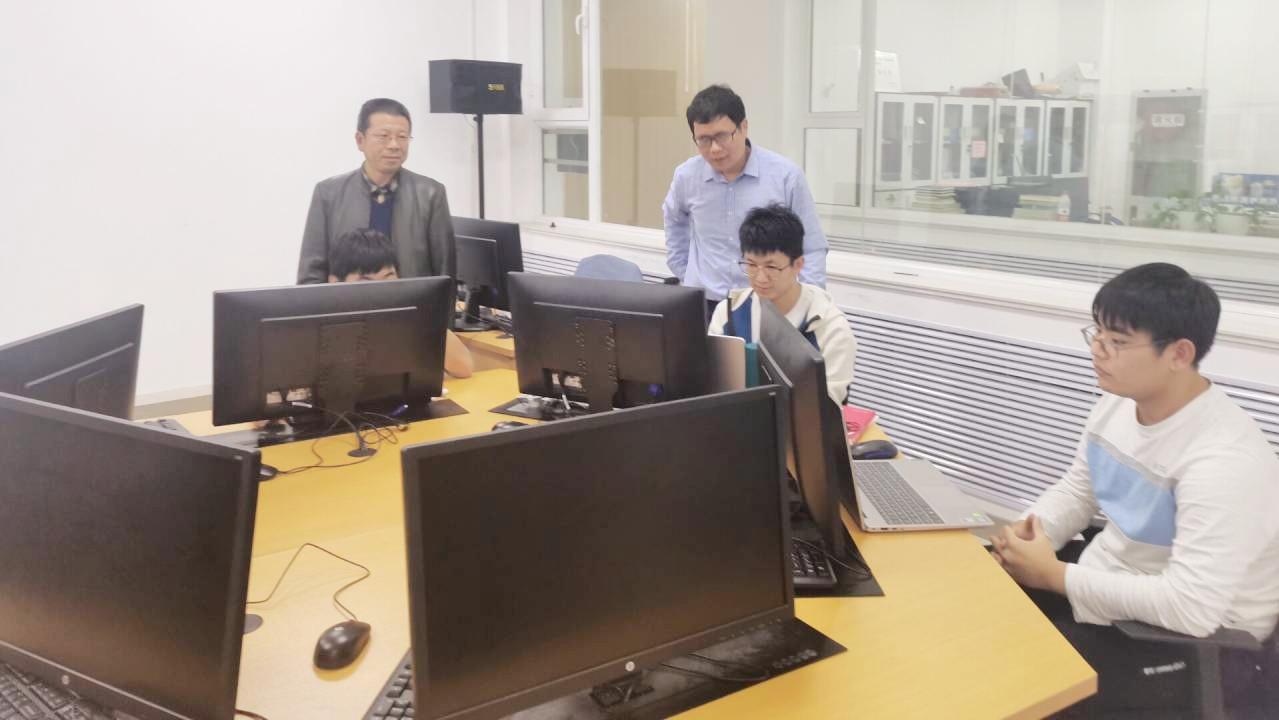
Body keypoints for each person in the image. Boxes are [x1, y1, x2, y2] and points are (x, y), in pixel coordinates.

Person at [990, 263, 1279, 715]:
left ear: (1179, 354)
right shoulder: (1119, 404)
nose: (1098, 350)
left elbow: (1191, 609)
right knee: (978, 613)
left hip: (1200, 645)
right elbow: (1079, 490)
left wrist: (1052, 576)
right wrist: (1030, 534)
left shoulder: (1224, 460)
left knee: (1013, 682)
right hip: (1115, 592)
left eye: (1118, 342)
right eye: (1097, 334)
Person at [662, 85, 828, 313]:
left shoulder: (785, 176)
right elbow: (673, 220)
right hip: (704, 303)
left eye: (722, 136)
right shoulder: (687, 176)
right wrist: (686, 272)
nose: (715, 149)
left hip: (766, 304)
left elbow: (812, 246)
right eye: (704, 140)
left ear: (743, 127)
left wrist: (807, 307)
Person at [708, 204, 855, 405]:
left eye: (772, 267)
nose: (760, 278)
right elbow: (715, 384)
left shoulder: (829, 327)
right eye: (751, 265)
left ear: (798, 264)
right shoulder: (728, 313)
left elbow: (826, 405)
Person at [298, 98, 456, 284]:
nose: (394, 145)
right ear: (360, 140)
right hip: (347, 301)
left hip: (412, 301)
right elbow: (311, 274)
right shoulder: (328, 193)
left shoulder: (430, 194)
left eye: (402, 137)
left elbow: (445, 273)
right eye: (383, 136)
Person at [328, 228, 473, 378]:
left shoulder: (408, 319)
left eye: (388, 279)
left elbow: (464, 368)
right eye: (366, 282)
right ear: (335, 283)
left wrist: (422, 319)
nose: (380, 292)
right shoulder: (326, 327)